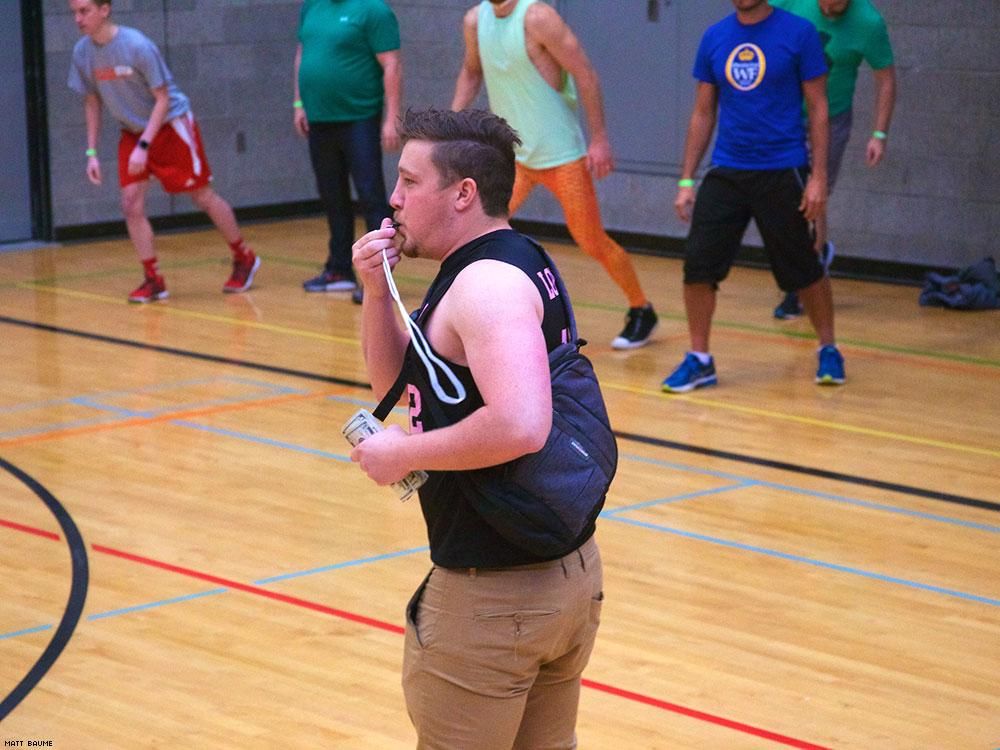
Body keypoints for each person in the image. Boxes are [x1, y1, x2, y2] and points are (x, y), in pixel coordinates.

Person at [350, 108, 603, 749]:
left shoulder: (485, 284)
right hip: (559, 580)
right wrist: (377, 294)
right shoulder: (511, 261)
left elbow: (520, 424)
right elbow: (402, 390)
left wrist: (400, 453)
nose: (394, 198)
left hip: (495, 599)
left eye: (409, 182)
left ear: (463, 193)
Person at [451, 0, 658, 350]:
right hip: (513, 155)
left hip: (561, 155)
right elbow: (472, 71)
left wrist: (600, 139)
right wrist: (450, 127)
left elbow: (585, 73)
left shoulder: (537, 17)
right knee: (475, 228)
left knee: (590, 240)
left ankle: (642, 308)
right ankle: (470, 314)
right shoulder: (475, 20)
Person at [663, 0, 846, 392]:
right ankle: (700, 359)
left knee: (804, 269)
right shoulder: (715, 37)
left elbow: (818, 108)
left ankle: (828, 347)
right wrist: (686, 179)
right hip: (728, 169)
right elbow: (702, 112)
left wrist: (817, 178)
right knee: (697, 265)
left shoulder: (799, 34)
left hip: (784, 169)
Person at [67, 0, 260, 303]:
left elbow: (163, 98)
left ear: (104, 10)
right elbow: (91, 101)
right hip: (132, 132)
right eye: (74, 12)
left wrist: (145, 145)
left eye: (84, 11)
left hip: (170, 126)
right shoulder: (82, 53)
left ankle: (244, 256)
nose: (77, 18)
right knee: (131, 204)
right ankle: (153, 279)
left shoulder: (137, 46)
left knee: (202, 196)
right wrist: (91, 151)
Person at [771, 0, 896, 319]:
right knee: (783, 197)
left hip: (831, 119)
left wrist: (879, 134)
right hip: (784, 114)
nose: (829, 6)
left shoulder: (868, 22)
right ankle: (815, 257)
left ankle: (800, 287)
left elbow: (886, 79)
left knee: (815, 193)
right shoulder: (790, 4)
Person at [294, 0, 402, 304]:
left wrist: (391, 117)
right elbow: (303, 55)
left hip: (359, 118)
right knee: (332, 196)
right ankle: (340, 269)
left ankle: (382, 276)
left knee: (371, 197)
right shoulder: (310, 7)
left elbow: (391, 63)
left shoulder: (373, 10)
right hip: (319, 117)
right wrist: (299, 103)